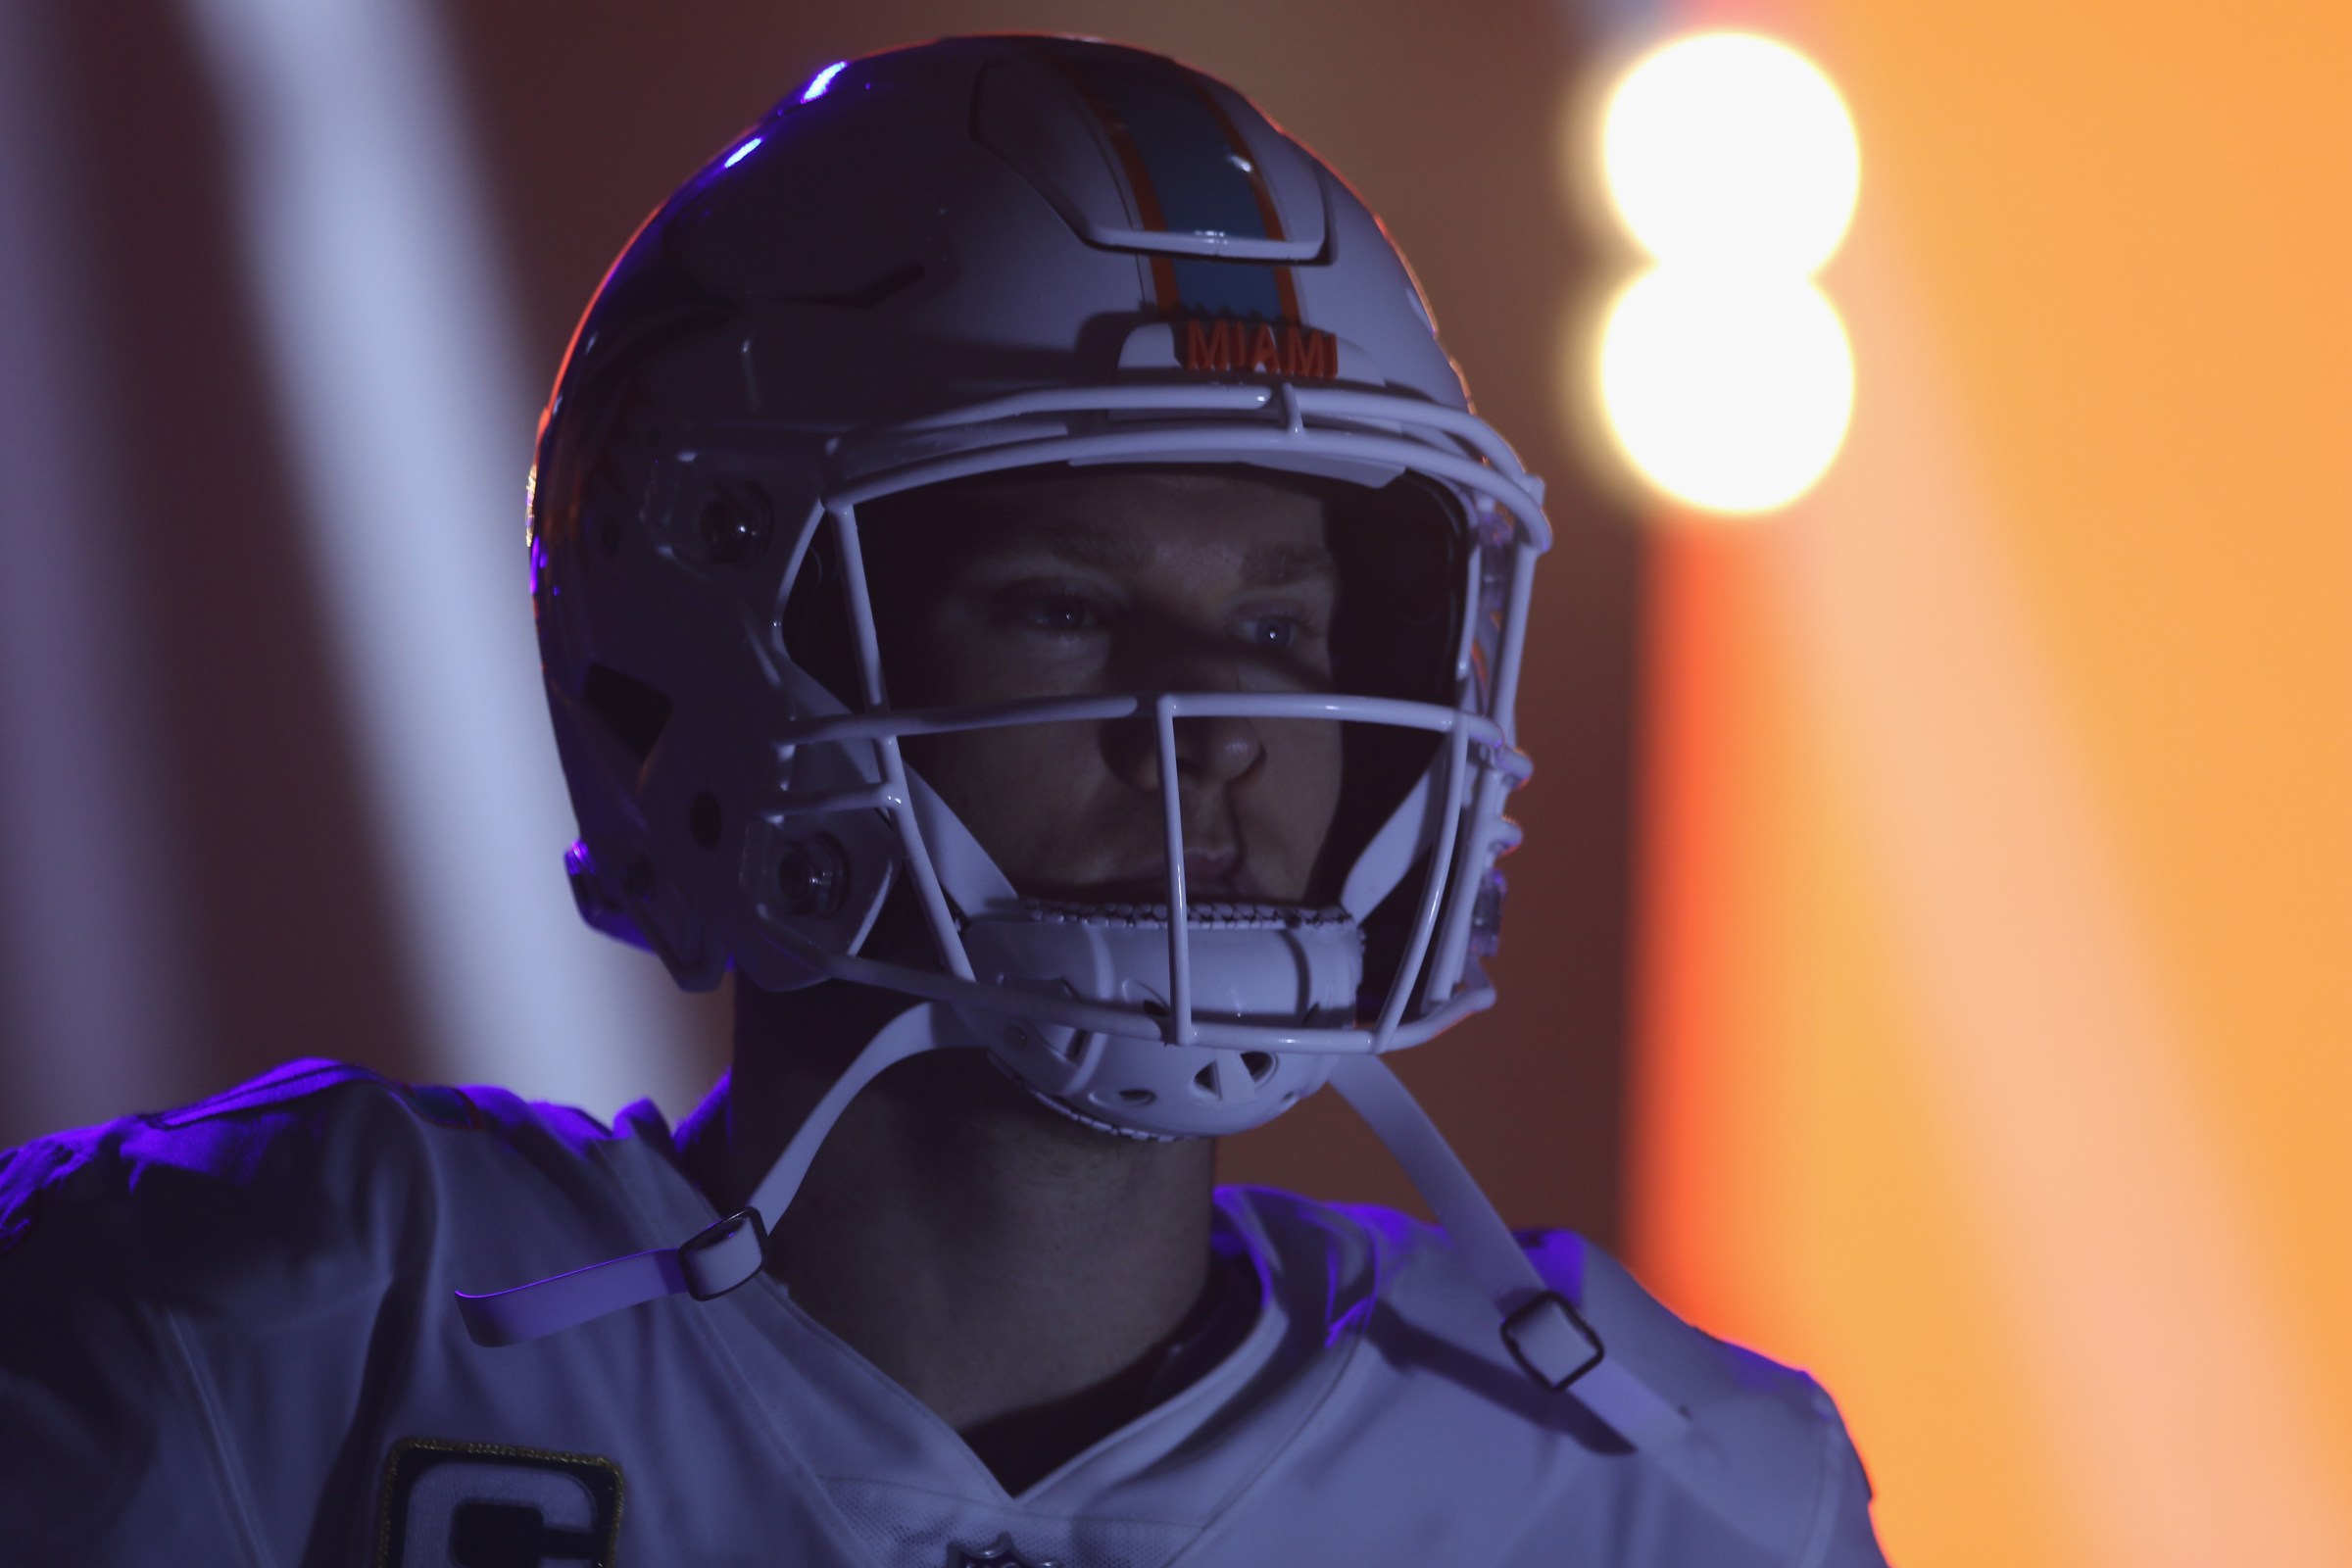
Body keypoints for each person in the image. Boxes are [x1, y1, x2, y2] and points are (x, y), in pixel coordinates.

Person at [0, 35, 1886, 1566]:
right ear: (719, 657)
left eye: (1282, 625)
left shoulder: (1679, 1500)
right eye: (1069, 609)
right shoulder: (261, 1343)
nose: (1219, 722)